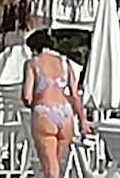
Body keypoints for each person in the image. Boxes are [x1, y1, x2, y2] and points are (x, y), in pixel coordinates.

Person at [21, 28, 89, 178]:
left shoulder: (33, 64)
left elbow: (27, 96)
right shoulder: (65, 63)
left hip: (44, 113)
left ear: (34, 48)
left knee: (51, 171)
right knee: (55, 166)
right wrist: (83, 121)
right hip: (65, 114)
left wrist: (30, 102)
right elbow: (75, 95)